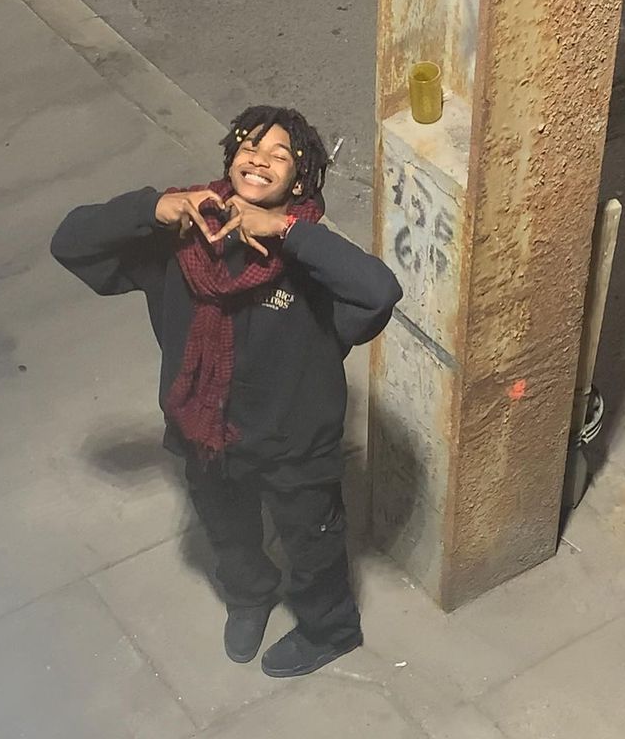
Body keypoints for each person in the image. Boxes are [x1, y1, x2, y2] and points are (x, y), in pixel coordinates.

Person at [51, 105, 402, 677]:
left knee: (312, 546)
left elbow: (379, 292)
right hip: (205, 432)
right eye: (249, 146)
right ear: (230, 158)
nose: (260, 159)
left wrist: (286, 233)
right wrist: (152, 208)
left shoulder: (308, 254)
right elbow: (71, 243)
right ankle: (249, 597)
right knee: (228, 531)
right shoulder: (181, 239)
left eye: (280, 155)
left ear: (300, 179)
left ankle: (330, 629)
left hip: (294, 443)